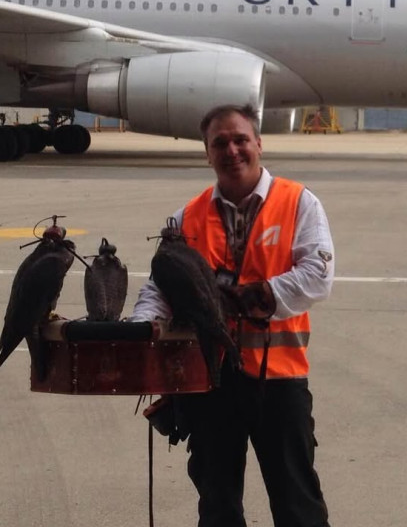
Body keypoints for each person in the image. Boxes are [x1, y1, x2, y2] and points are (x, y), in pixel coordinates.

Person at [132, 104, 335, 527]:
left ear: (259, 144)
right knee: (218, 506)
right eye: (219, 142)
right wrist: (141, 329)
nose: (232, 150)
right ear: (207, 153)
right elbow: (160, 287)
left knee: (298, 505)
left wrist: (233, 302)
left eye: (241, 139)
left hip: (279, 382)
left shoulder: (299, 202)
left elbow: (317, 276)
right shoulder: (187, 217)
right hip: (210, 382)